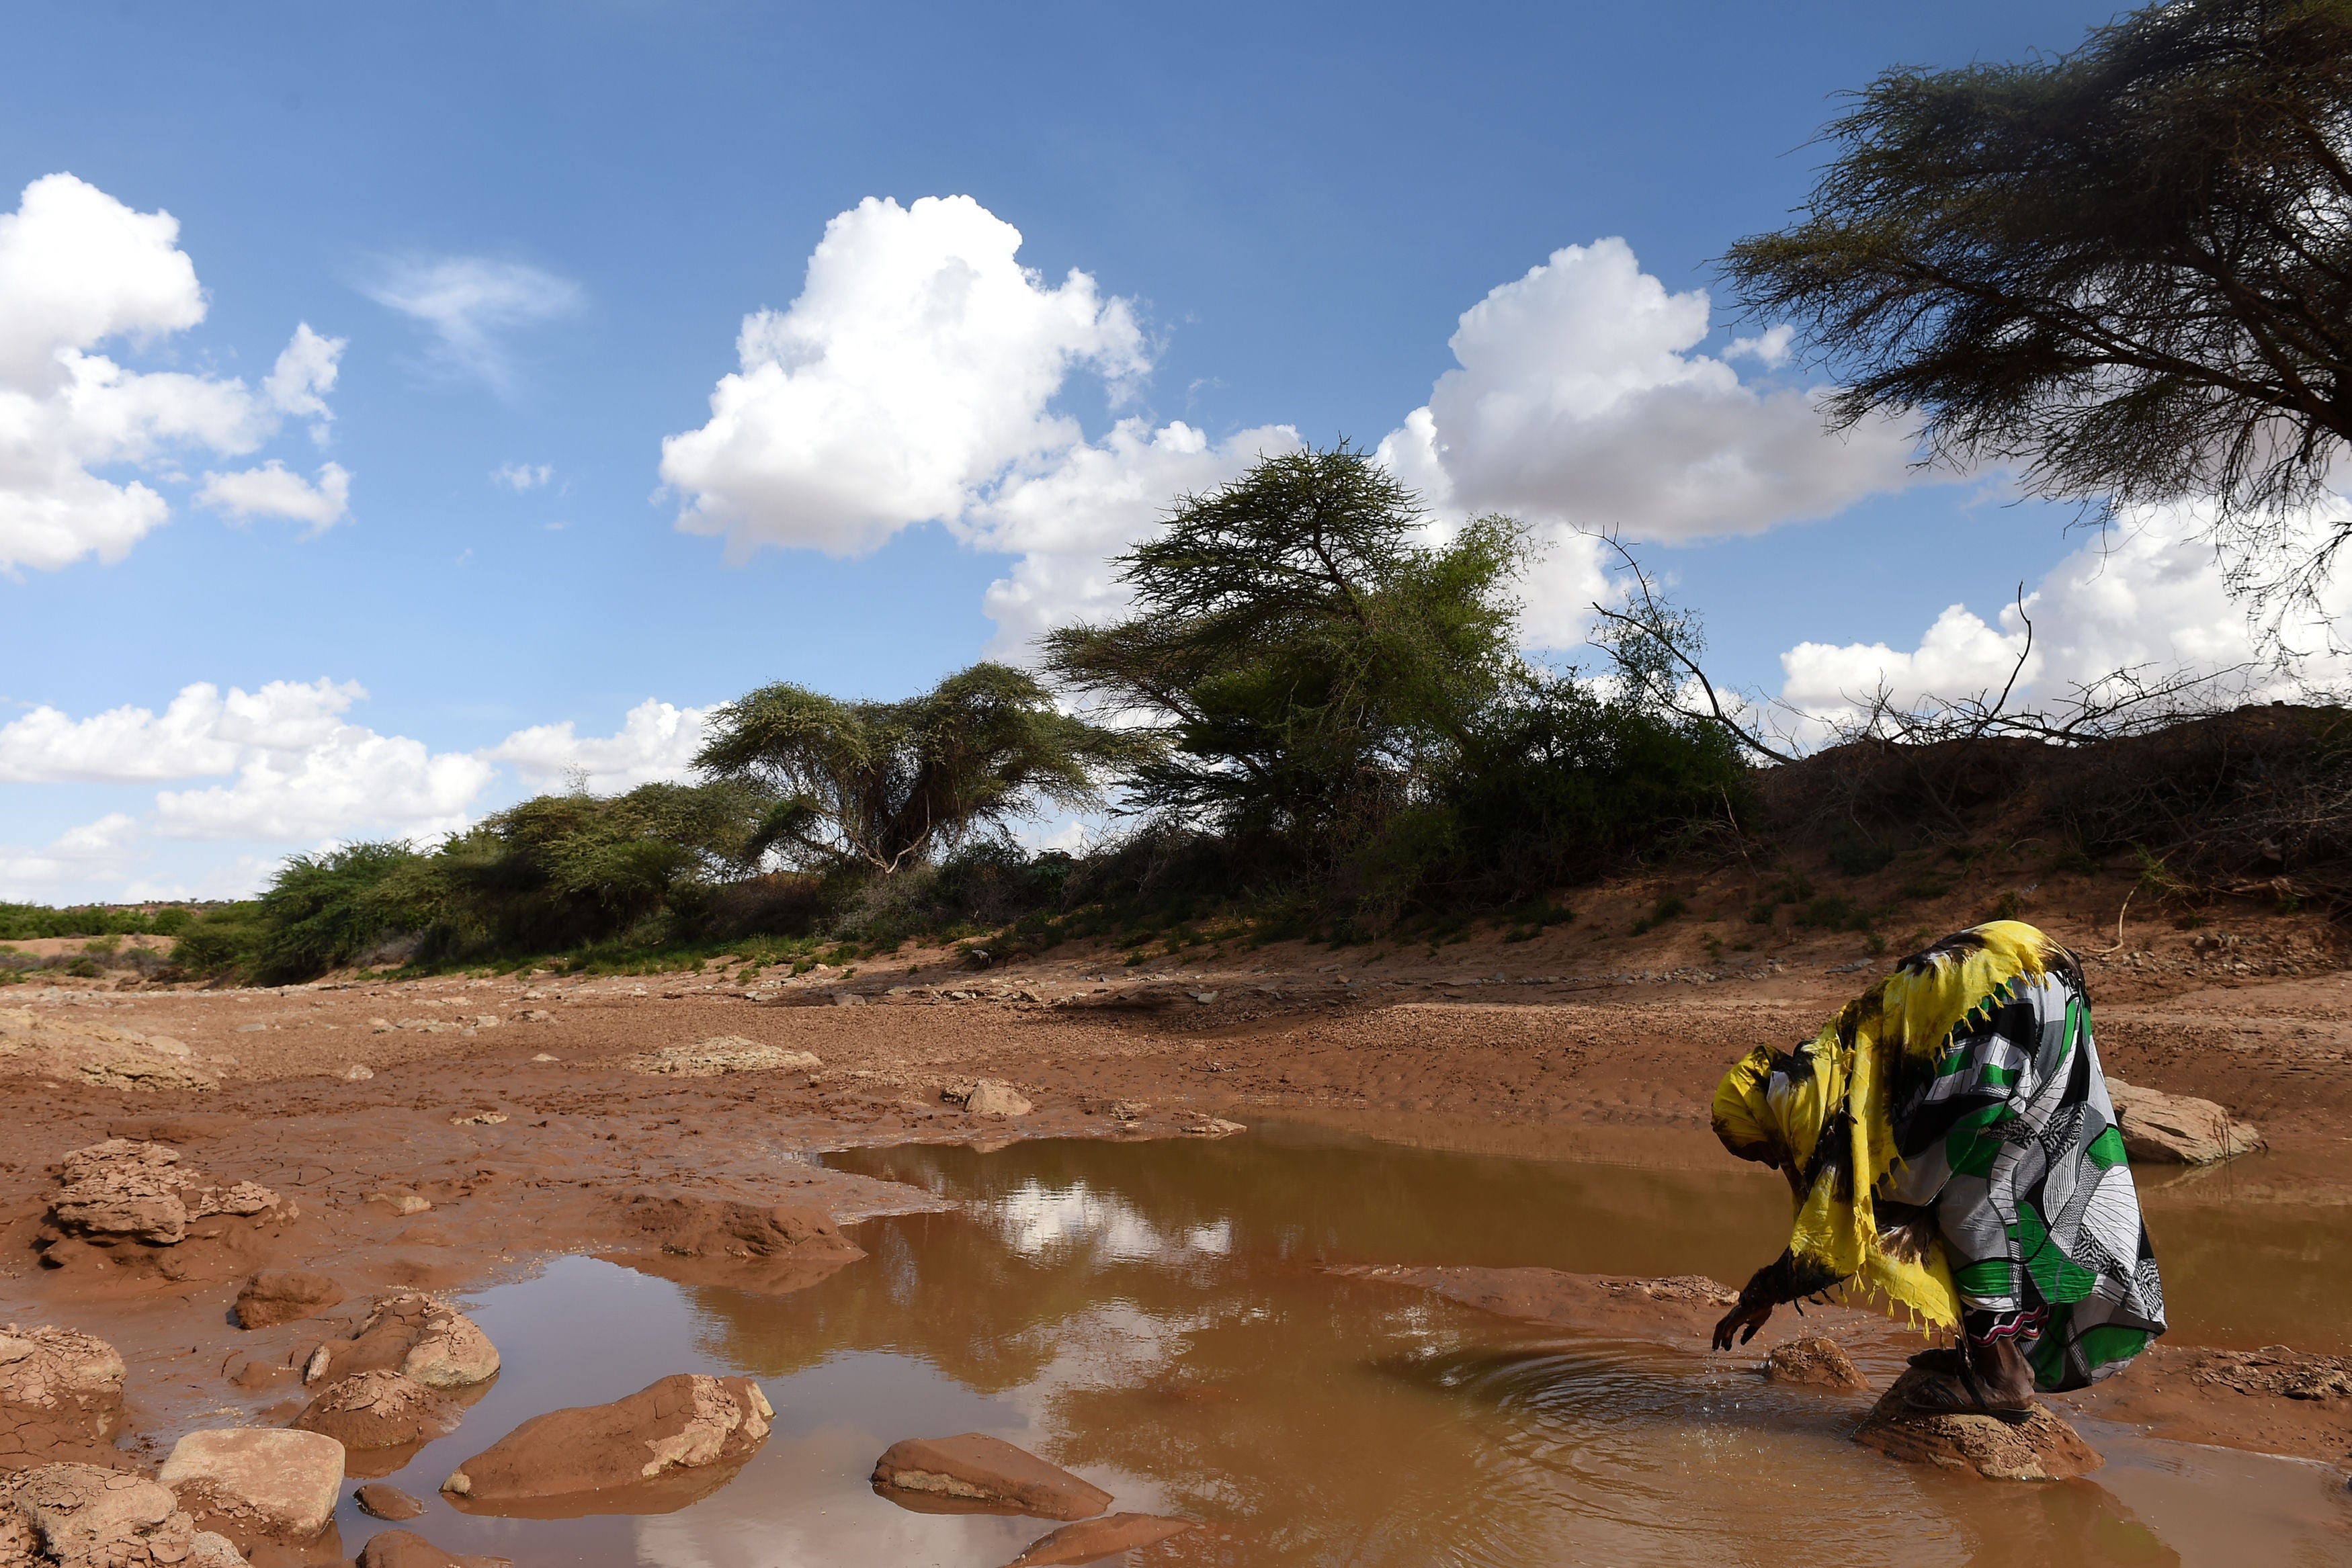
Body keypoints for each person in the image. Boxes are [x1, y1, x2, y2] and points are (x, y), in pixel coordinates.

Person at [1707, 919, 2165, 1417]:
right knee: (2015, 1175)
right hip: (2036, 967)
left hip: (2000, 993)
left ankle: (2004, 1379)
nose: (1774, 1161)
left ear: (1764, 1121)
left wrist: (1762, 1292)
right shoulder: (1823, 1060)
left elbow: (1834, 1244)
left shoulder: (1808, 1104)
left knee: (1956, 1198)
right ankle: (1991, 1355)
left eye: (1760, 1151)